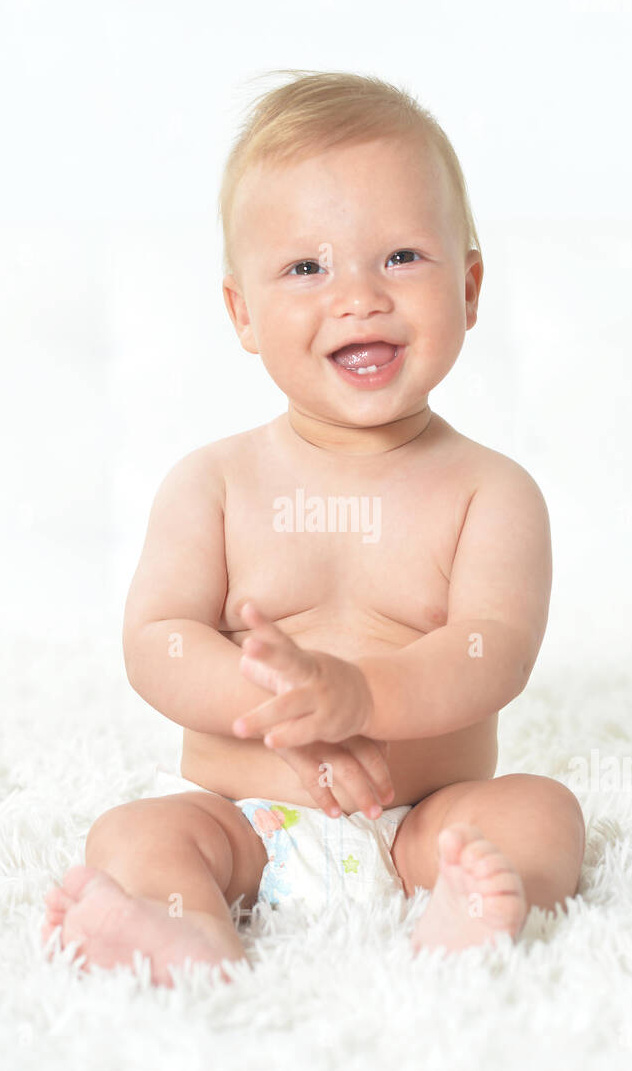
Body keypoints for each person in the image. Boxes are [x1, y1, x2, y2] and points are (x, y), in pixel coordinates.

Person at [42, 70, 585, 984]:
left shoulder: (491, 492)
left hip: (422, 821)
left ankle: (472, 915)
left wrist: (359, 698)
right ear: (242, 313)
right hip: (243, 817)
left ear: (470, 286)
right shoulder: (211, 482)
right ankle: (193, 938)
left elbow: (490, 653)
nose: (359, 296)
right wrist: (291, 717)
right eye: (306, 268)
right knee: (134, 833)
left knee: (541, 815)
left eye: (403, 257)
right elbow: (157, 642)